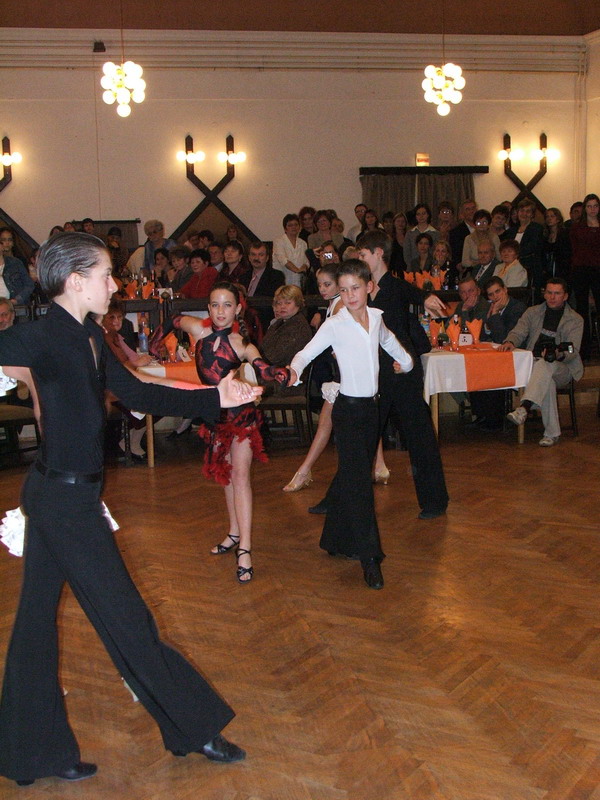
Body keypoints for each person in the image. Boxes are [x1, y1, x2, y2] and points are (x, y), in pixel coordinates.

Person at [0, 233, 261, 786]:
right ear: (76, 282)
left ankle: (31, 755)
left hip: (61, 496)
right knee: (128, 621)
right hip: (63, 503)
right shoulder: (41, 335)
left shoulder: (91, 334)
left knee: (34, 626)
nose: (114, 283)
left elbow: (140, 393)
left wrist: (216, 398)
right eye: (105, 274)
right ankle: (193, 729)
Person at [289, 259, 413, 590]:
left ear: (369, 287)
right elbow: (306, 353)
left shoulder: (376, 317)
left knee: (351, 475)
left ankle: (335, 538)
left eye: (355, 288)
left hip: (372, 410)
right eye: (343, 290)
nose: (349, 295)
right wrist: (294, 370)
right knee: (359, 484)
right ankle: (370, 558)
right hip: (347, 411)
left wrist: (406, 362)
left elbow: (389, 341)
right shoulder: (335, 324)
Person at [167, 281, 288, 583]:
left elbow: (262, 367)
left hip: (242, 416)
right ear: (208, 308)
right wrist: (159, 342)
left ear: (237, 309)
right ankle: (234, 532)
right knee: (226, 474)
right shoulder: (199, 331)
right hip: (215, 415)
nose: (220, 310)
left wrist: (279, 373)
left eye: (227, 305)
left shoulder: (240, 343)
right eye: (215, 304)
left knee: (240, 476)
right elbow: (174, 318)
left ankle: (245, 548)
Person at [357, 230, 449, 519]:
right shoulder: (362, 290)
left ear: (378, 253)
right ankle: (341, 499)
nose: (360, 259)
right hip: (376, 372)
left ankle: (435, 501)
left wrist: (427, 298)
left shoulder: (394, 286)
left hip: (403, 369)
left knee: (419, 436)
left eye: (363, 254)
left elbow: (413, 293)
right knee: (362, 436)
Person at [501, 278, 583, 446]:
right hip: (536, 365)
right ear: (544, 294)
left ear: (565, 296)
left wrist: (558, 354)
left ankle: (524, 407)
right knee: (547, 379)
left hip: (564, 367)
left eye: (557, 293)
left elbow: (573, 351)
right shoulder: (533, 312)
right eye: (549, 292)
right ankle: (551, 434)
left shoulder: (575, 319)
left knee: (546, 365)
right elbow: (518, 331)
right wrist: (510, 341)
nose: (552, 297)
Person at [467, 277, 526, 432]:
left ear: (505, 289)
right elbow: (480, 335)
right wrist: (488, 325)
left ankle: (494, 419)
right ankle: (482, 415)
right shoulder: (490, 308)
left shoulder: (518, 308)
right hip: (496, 355)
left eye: (497, 291)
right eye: (491, 294)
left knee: (491, 370)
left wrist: (494, 316)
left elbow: (504, 338)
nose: (495, 297)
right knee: (474, 366)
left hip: (515, 356)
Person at [569, 193, 600, 360]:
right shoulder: (577, 228)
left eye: (595, 206)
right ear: (585, 208)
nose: (592, 209)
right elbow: (574, 251)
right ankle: (584, 349)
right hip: (581, 270)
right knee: (581, 309)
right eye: (589, 206)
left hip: (598, 270)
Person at [240, 241, 285, 331]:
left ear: (267, 258)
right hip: (244, 320)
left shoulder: (276, 276)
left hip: (264, 321)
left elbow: (274, 301)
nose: (256, 258)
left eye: (261, 255)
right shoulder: (243, 276)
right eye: (253, 254)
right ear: (249, 257)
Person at [272, 213, 309, 288]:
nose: (293, 227)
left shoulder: (303, 243)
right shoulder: (278, 241)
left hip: (299, 282)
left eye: (296, 225)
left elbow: (306, 262)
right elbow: (283, 260)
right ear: (285, 229)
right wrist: (297, 270)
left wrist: (303, 268)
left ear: (299, 227)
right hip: (282, 281)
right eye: (290, 225)